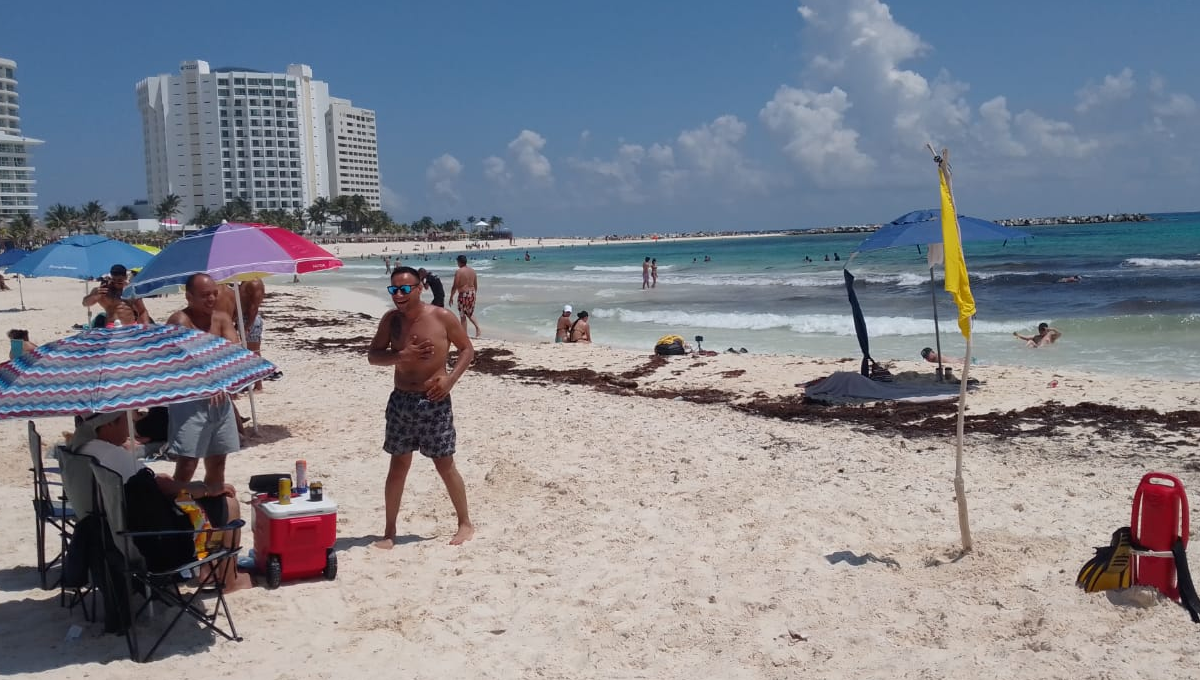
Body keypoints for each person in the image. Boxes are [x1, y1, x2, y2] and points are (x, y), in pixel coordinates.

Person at [71, 411, 246, 587]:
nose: (131, 426)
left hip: (112, 537)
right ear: (109, 424)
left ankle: (210, 570)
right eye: (127, 419)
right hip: (156, 545)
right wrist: (206, 489)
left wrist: (161, 482)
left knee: (187, 492)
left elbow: (151, 484)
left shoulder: (83, 450)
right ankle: (230, 581)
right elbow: (165, 489)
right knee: (229, 503)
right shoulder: (112, 456)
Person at [368, 266, 475, 546]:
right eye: (394, 290)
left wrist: (450, 380)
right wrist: (400, 356)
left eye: (405, 289)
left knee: (445, 464)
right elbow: (373, 356)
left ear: (420, 288)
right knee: (398, 465)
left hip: (434, 401)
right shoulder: (391, 321)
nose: (399, 295)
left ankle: (465, 523)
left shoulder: (442, 317)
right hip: (401, 400)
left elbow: (467, 349)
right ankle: (389, 531)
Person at [165, 274, 242, 488]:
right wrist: (212, 378)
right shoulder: (180, 321)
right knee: (187, 463)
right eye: (205, 295)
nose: (212, 299)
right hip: (191, 400)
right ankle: (175, 511)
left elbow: (234, 352)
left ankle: (214, 508)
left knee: (218, 460)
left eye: (214, 294)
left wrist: (221, 380)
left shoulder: (221, 318)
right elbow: (184, 363)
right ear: (189, 296)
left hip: (220, 397)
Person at [82, 265, 150, 326]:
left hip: (131, 326)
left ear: (125, 277)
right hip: (112, 326)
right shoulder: (103, 291)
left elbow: (142, 311)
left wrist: (146, 326)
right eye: (114, 280)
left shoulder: (131, 291)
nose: (116, 283)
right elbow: (85, 303)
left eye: (119, 280)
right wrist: (95, 296)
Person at [238, 279, 266, 390]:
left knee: (254, 354)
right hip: (245, 320)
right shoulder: (245, 281)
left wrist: (247, 327)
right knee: (246, 354)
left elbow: (254, 306)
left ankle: (259, 385)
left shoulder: (254, 282)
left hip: (251, 321)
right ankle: (251, 382)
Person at [448, 254, 481, 338]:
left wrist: (451, 297)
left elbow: (455, 286)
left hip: (464, 294)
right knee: (470, 313)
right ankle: (477, 328)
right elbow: (475, 285)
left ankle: (464, 335)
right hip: (472, 293)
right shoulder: (472, 271)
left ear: (459, 262)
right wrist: (474, 295)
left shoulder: (459, 271)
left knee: (462, 315)